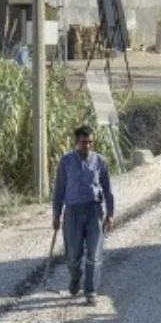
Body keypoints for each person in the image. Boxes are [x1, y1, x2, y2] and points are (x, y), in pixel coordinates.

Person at [53, 125, 115, 305]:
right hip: (72, 212)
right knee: (73, 254)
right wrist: (56, 214)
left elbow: (108, 189)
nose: (87, 146)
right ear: (76, 142)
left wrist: (110, 213)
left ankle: (90, 291)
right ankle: (75, 278)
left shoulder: (100, 161)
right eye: (83, 142)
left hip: (94, 210)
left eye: (90, 142)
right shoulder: (66, 161)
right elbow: (59, 189)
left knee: (94, 254)